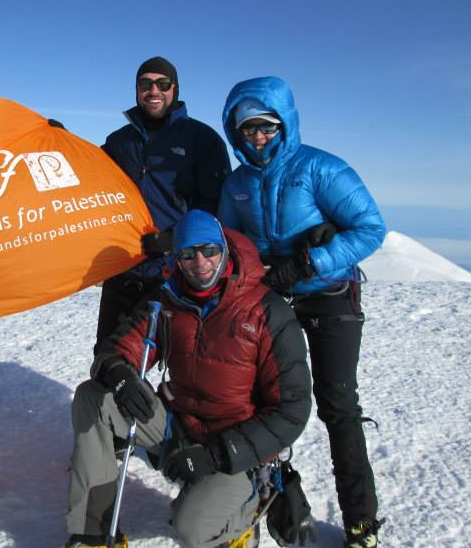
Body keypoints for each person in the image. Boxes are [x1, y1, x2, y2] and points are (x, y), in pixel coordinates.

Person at [64, 209, 312, 548]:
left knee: (192, 529)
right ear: (177, 259)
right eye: (188, 254)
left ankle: (246, 509)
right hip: (179, 428)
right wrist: (118, 372)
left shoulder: (267, 311)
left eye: (209, 250)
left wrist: (216, 456)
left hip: (236, 448)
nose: (201, 263)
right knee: (94, 398)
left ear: (224, 249)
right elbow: (119, 348)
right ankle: (93, 533)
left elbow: (292, 410)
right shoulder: (166, 300)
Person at [216, 76, 387, 548]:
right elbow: (230, 243)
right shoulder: (237, 183)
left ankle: (361, 522)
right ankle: (261, 497)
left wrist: (313, 262)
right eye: (247, 128)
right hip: (274, 296)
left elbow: (371, 228)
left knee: (338, 404)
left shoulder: (320, 168)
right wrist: (255, 271)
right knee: (257, 399)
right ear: (235, 131)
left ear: (284, 124)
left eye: (266, 126)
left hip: (331, 294)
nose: (258, 137)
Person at [97, 56, 230, 349]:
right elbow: (87, 171)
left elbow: (216, 206)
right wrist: (59, 140)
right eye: (145, 84)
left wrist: (176, 240)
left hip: (177, 273)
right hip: (124, 270)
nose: (153, 91)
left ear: (175, 89)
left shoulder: (202, 140)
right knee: (110, 354)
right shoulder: (119, 142)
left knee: (179, 358)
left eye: (162, 84)